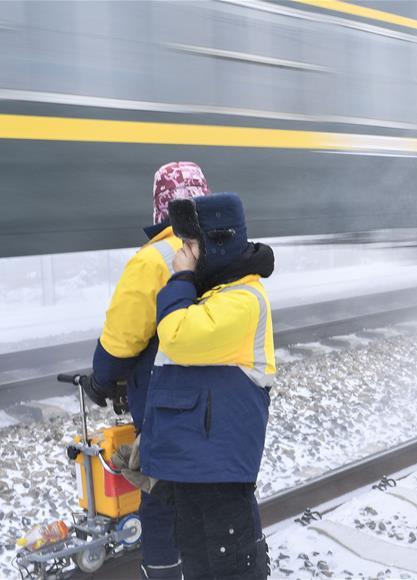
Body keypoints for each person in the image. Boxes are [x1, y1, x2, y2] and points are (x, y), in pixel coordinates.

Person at [140, 192, 275, 579]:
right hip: (194, 468)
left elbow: (178, 337)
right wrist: (151, 449)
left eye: (190, 244)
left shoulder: (242, 300)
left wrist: (180, 279)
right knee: (199, 566)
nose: (181, 253)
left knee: (230, 569)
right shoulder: (214, 294)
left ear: (219, 242)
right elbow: (178, 384)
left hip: (218, 473)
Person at [87, 161, 211, 579]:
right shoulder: (226, 248)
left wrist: (101, 378)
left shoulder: (156, 257)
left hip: (172, 405)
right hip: (224, 403)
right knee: (216, 495)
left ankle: (165, 572)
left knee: (161, 497)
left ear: (160, 207)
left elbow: (122, 338)